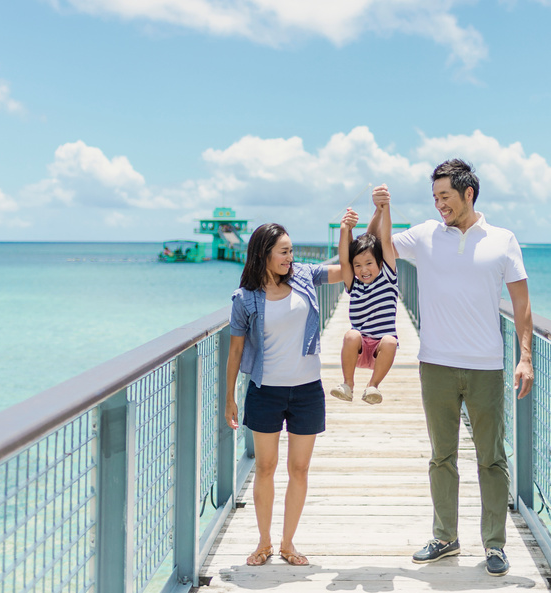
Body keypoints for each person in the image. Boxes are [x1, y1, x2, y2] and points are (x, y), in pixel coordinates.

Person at [369, 159, 534, 577]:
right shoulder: (425, 235)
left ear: (469, 194)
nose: (440, 204)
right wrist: (380, 210)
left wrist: (526, 356)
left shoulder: (503, 239)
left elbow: (521, 303)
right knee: (441, 457)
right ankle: (445, 537)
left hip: (485, 368)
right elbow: (377, 248)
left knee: (491, 459)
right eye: (435, 197)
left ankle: (494, 545)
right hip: (436, 364)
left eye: (446, 196)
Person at [224, 222, 348, 567]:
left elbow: (346, 269)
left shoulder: (305, 276)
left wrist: (352, 230)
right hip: (265, 391)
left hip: (308, 389)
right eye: (284, 251)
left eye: (292, 251)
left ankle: (288, 543)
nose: (291, 257)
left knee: (299, 468)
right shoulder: (244, 299)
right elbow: (235, 353)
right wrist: (229, 397)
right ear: (264, 254)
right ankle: (263, 542)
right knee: (265, 467)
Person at [329, 201, 399, 405]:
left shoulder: (388, 278)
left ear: (380, 263)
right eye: (358, 265)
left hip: (380, 351)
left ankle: (373, 386)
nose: (363, 270)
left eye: (369, 263)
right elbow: (344, 262)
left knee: (391, 340)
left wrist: (385, 208)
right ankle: (347, 385)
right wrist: (345, 229)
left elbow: (385, 240)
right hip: (358, 350)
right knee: (351, 334)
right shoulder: (354, 284)